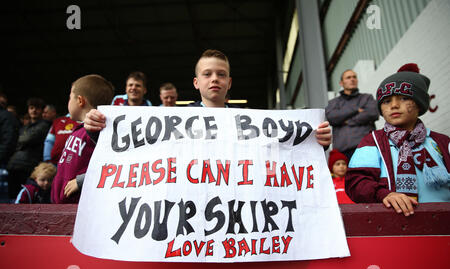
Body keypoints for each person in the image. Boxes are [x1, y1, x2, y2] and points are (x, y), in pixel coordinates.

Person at [84, 49, 332, 147]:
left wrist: (315, 140)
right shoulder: (176, 118)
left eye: (221, 74)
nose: (215, 79)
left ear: (229, 83)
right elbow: (139, 142)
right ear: (196, 83)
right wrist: (97, 129)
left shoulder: (253, 122)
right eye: (207, 74)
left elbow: (281, 149)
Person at [345, 64, 450, 216]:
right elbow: (356, 182)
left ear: (420, 105)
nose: (394, 105)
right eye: (386, 101)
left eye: (404, 98)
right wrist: (384, 194)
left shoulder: (442, 142)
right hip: (396, 229)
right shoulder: (372, 142)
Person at [51, 74, 114, 204]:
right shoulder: (80, 129)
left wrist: (82, 180)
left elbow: (113, 166)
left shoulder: (98, 130)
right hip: (61, 205)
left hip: (80, 207)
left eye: (70, 98)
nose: (68, 102)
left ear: (80, 100)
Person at [325, 69, 379, 160]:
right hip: (343, 153)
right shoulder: (333, 102)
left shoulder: (367, 98)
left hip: (367, 148)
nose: (352, 79)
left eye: (354, 77)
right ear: (341, 83)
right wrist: (356, 110)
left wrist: (346, 121)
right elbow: (331, 117)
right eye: (348, 77)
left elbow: (373, 113)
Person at [7, 97, 50, 199]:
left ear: (42, 110)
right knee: (12, 199)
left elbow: (24, 139)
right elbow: (16, 140)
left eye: (37, 108)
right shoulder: (25, 127)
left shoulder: (44, 125)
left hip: (29, 166)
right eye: (31, 108)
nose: (34, 110)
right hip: (14, 165)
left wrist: (19, 142)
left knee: (26, 197)